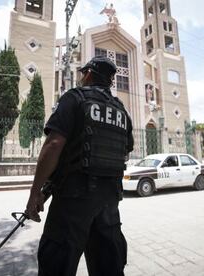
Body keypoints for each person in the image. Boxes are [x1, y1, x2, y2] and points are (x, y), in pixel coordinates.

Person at [25, 56, 134, 276]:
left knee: (56, 264)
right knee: (108, 267)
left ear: (89, 74)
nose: (81, 77)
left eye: (82, 73)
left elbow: (54, 144)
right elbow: (125, 150)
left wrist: (35, 192)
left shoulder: (75, 98)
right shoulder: (121, 111)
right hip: (109, 202)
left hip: (73, 200)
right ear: (110, 81)